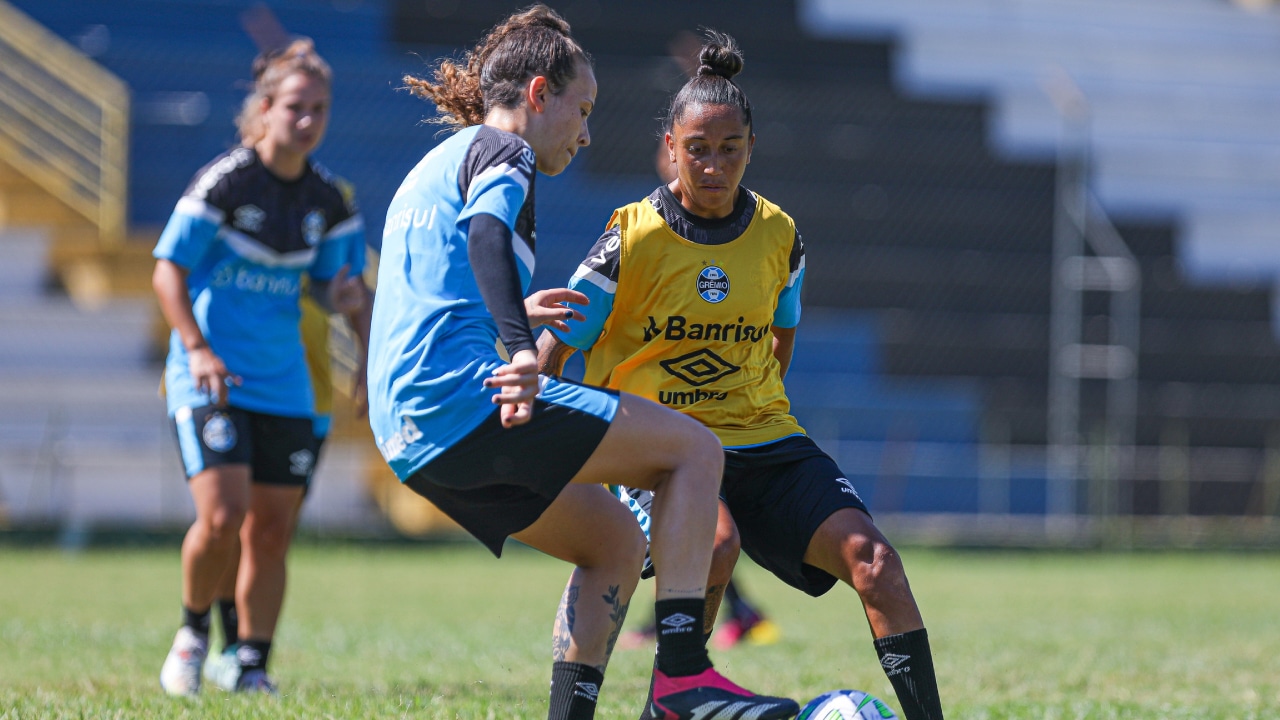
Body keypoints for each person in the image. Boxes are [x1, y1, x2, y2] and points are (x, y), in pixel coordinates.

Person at [365, 6, 798, 720]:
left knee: (616, 544)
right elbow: (484, 239)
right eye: (582, 108)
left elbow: (432, 281)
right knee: (692, 449)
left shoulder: (439, 162)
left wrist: (508, 316)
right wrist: (518, 352)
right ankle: (684, 679)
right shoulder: (507, 153)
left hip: (409, 432)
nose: (587, 130)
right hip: (463, 402)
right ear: (539, 94)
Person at [537, 31, 946, 720]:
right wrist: (546, 436)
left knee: (876, 564)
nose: (713, 163)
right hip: (662, 449)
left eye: (730, 148)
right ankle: (672, 704)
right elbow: (553, 345)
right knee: (716, 541)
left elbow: (778, 344)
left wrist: (747, 410)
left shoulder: (781, 236)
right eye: (698, 148)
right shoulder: (630, 236)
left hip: (766, 441)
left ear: (751, 148)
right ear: (671, 145)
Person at [153, 37, 368, 696]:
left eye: (320, 110)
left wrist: (361, 352)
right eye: (297, 108)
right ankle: (192, 635)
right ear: (266, 108)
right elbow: (168, 269)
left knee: (270, 531)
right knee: (221, 518)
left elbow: (344, 289)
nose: (309, 122)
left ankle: (252, 664)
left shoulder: (327, 199)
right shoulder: (227, 180)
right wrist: (196, 348)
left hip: (285, 384)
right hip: (212, 376)